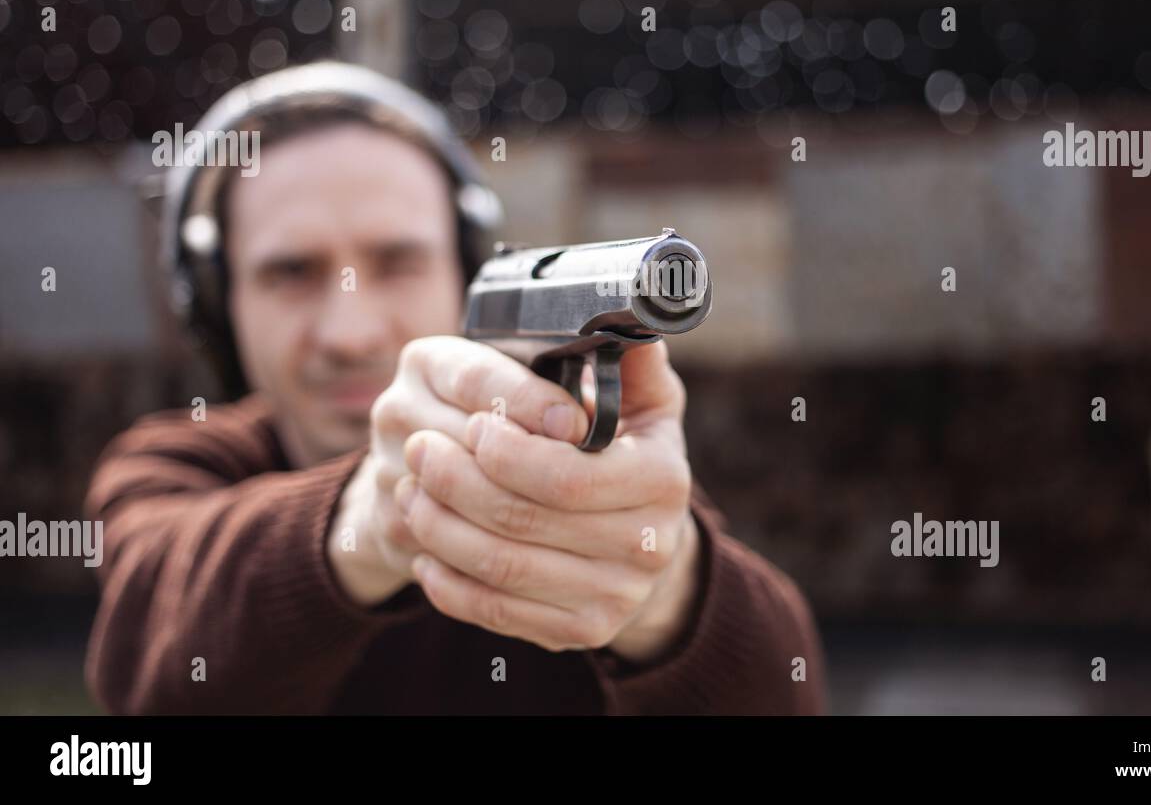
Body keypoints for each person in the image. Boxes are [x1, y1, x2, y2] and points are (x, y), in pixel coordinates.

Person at [83, 61, 828, 714]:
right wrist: (376, 515)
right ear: (220, 306)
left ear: (464, 269)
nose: (351, 332)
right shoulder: (169, 468)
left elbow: (785, 687)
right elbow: (153, 670)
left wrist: (665, 593)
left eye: (398, 261)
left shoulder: (556, 462)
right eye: (290, 273)